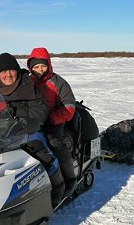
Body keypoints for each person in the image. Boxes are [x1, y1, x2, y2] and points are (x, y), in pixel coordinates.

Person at [0, 52, 65, 206]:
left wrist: (18, 115)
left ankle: (58, 189)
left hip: (28, 132)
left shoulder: (29, 85)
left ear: (17, 71)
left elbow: (41, 111)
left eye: (11, 70)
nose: (8, 75)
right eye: (3, 71)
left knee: (45, 158)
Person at [27, 47, 77, 198]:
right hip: (33, 121)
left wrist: (54, 118)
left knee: (55, 143)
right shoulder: (27, 82)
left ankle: (70, 179)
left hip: (54, 120)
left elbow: (69, 105)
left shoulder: (57, 81)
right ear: (30, 67)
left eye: (43, 66)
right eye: (36, 66)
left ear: (48, 65)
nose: (40, 70)